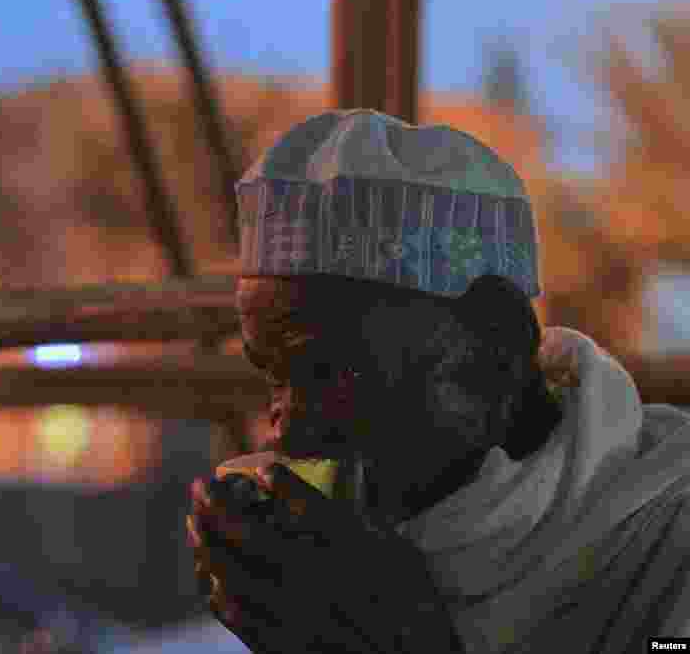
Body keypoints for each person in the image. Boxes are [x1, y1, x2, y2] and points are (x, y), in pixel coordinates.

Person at [186, 109, 690, 653]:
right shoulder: (342, 554)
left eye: (335, 375)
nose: (285, 435)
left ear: (495, 349)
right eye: (275, 380)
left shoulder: (668, 537)